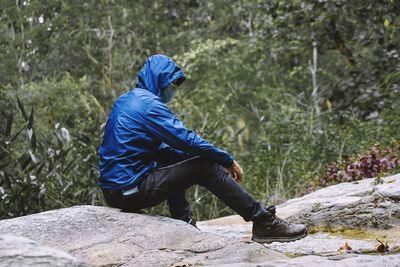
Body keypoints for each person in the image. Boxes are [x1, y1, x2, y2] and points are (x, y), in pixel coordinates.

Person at [98, 54, 307, 243]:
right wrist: (226, 160)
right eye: (172, 84)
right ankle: (264, 222)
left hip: (116, 192)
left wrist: (202, 159)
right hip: (131, 190)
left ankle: (183, 223)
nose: (173, 90)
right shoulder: (148, 105)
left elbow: (166, 150)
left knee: (178, 159)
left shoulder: (127, 100)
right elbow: (186, 140)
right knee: (204, 167)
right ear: (159, 80)